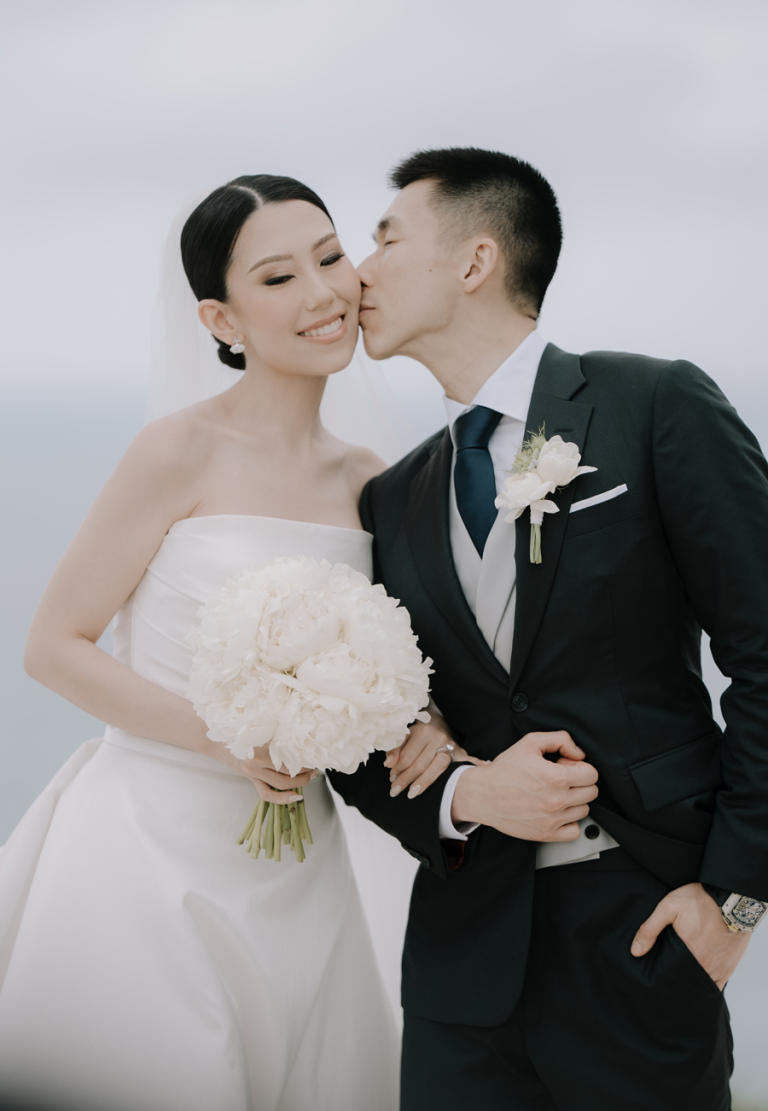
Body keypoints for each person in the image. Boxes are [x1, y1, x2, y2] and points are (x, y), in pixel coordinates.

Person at [0, 174, 458, 1111]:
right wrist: (227, 739)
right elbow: (54, 645)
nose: (323, 293)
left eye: (330, 258)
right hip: (149, 845)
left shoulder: (372, 479)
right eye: (279, 278)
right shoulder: (177, 451)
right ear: (221, 319)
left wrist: (424, 721)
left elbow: (397, 657)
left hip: (298, 861)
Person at [329, 147, 768, 1110]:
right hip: (461, 977)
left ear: (474, 260)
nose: (359, 271)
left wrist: (736, 902)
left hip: (647, 937)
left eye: (386, 239)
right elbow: (360, 731)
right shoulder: (393, 499)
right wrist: (467, 794)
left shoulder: (653, 404)